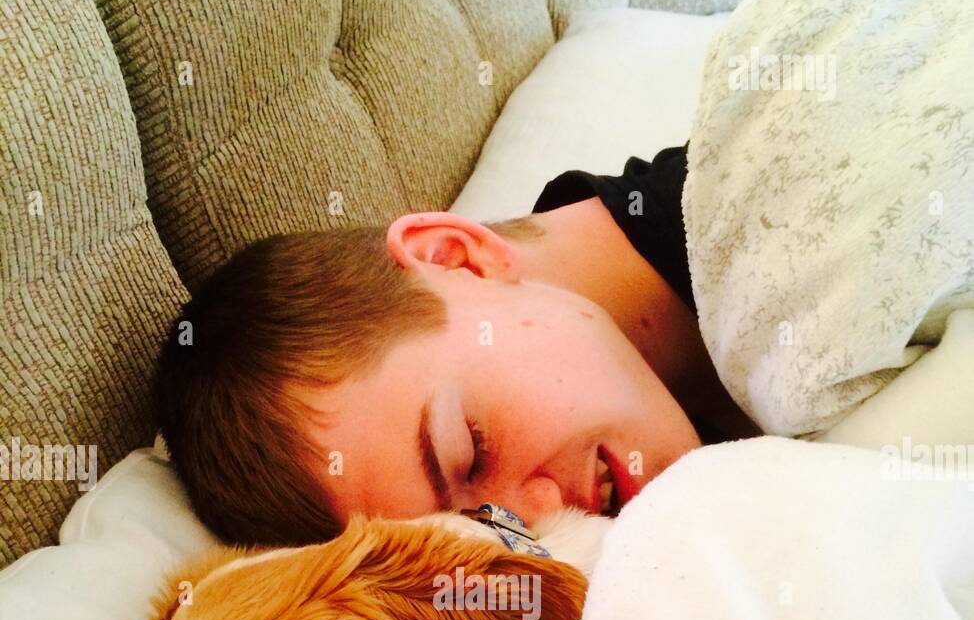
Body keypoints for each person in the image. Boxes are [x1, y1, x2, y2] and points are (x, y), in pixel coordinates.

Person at [153, 144, 760, 546]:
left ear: (453, 258)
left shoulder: (781, 208)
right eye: (492, 532)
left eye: (469, 450)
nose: (548, 520)